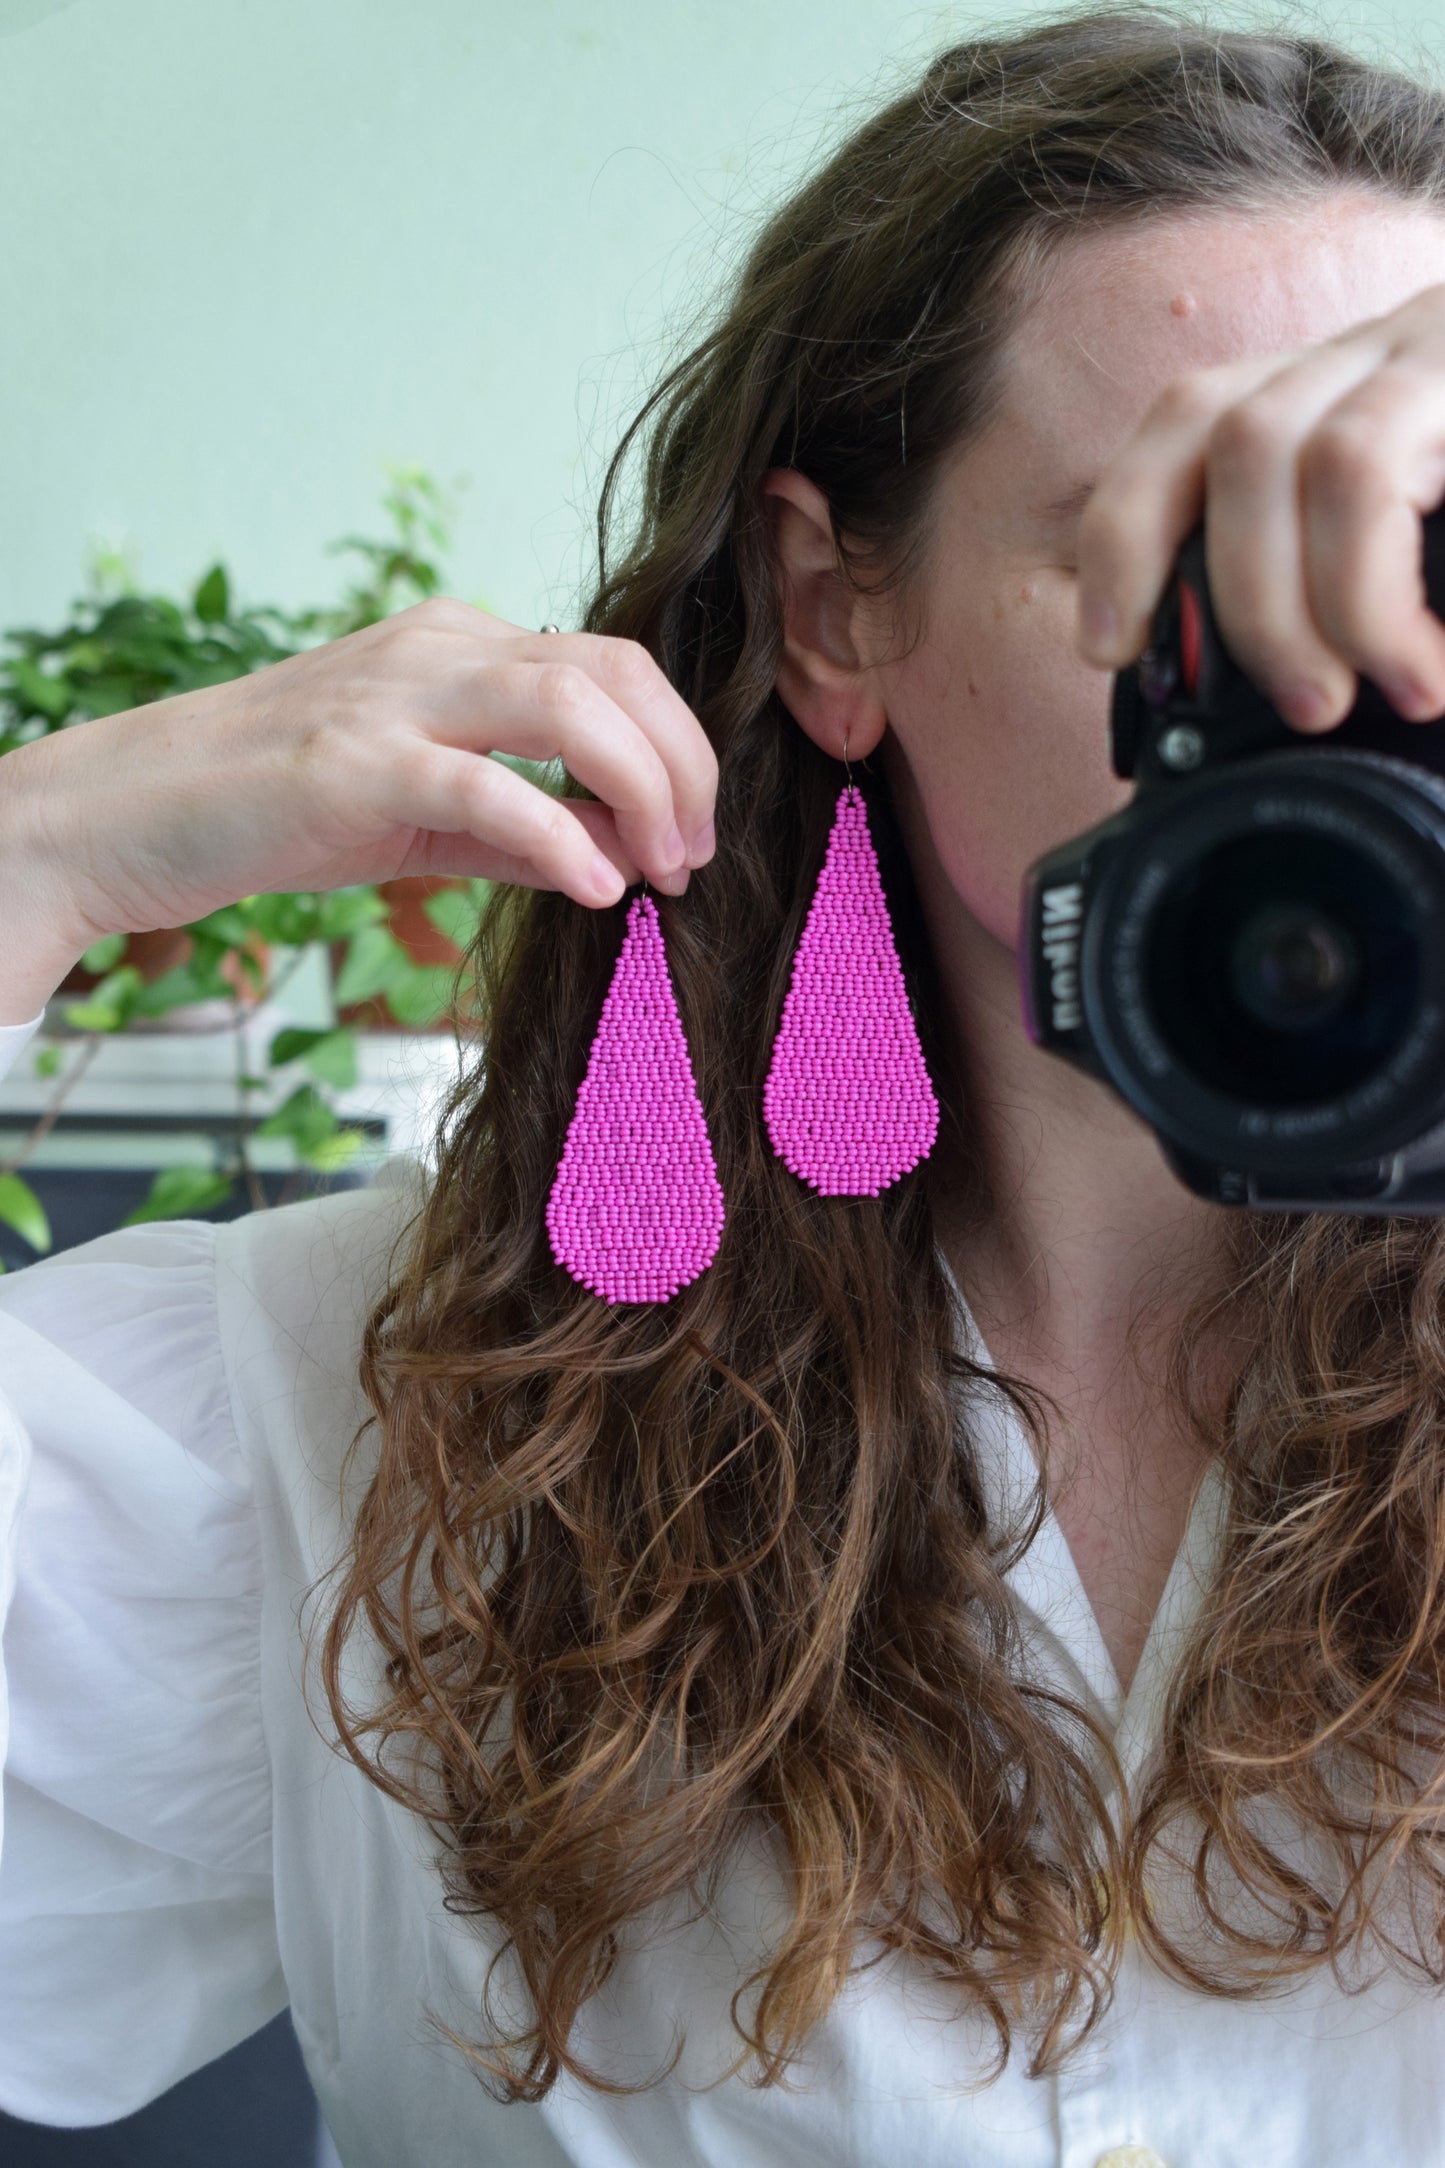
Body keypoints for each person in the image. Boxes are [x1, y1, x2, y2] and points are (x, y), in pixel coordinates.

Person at [4, 9, 1445, 2162]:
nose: (1328, 682)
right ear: (830, 604)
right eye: (1176, 576)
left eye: (1411, 553)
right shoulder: (336, 1425)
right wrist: (32, 861)